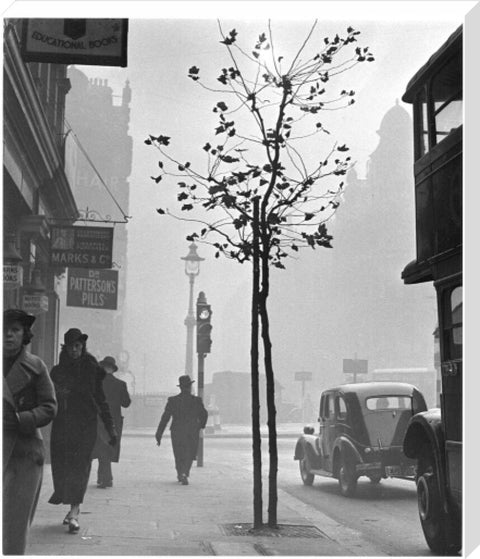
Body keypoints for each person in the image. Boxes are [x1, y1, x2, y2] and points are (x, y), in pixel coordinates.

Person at [48, 328, 117, 533]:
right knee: (62, 467)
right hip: (62, 426)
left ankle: (75, 512)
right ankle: (70, 507)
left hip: (85, 426)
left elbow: (101, 400)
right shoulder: (57, 372)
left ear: (82, 346)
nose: (75, 350)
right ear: (66, 347)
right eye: (71, 346)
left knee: (80, 467)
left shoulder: (91, 369)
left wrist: (110, 427)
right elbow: (47, 399)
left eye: (78, 346)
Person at [3, 309, 57, 555]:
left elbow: (50, 407)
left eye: (14, 330)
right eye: (4, 330)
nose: (8, 335)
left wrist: (21, 419)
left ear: (24, 334)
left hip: (24, 452)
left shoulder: (36, 366)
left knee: (15, 522)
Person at [155, 375, 208, 485]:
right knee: (189, 453)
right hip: (192, 431)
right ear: (190, 387)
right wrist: (200, 426)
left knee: (178, 453)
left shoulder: (173, 401)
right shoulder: (196, 401)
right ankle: (185, 472)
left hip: (177, 431)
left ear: (180, 387)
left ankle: (180, 473)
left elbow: (165, 417)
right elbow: (204, 414)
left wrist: (159, 433)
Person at [91, 356, 131, 488]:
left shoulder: (95, 382)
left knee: (101, 447)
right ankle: (105, 477)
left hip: (98, 420)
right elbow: (126, 403)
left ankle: (104, 477)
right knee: (108, 447)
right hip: (114, 421)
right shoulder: (120, 384)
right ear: (113, 369)